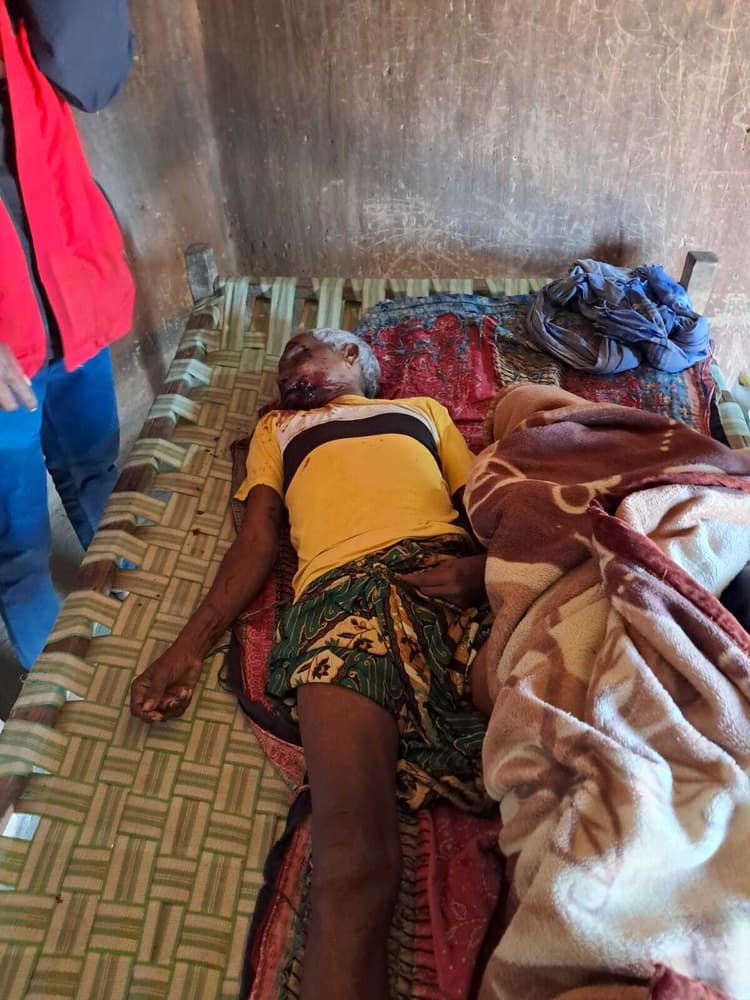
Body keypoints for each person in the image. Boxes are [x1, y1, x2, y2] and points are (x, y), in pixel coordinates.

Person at [131, 328, 490, 1000]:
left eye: (301, 351)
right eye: (281, 364)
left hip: (444, 578)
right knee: (352, 864)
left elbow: (486, 508)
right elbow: (257, 541)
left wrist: (486, 571)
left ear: (352, 357)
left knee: (554, 760)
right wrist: (187, 647)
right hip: (337, 605)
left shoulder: (422, 411)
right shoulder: (279, 430)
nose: (285, 368)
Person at [0, 0, 135, 670]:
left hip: (67, 293)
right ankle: (70, 709)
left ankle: (141, 636)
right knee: (19, 555)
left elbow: (95, 75)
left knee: (97, 474)